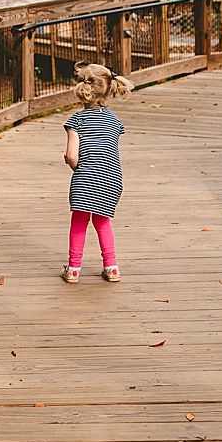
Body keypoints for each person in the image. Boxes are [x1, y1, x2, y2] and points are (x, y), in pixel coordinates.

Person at [61, 63, 134, 283]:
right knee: (103, 222)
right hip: (112, 178)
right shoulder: (114, 120)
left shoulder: (77, 120)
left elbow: (71, 156)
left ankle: (73, 269)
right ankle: (112, 267)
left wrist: (79, 169)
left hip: (86, 177)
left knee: (79, 221)